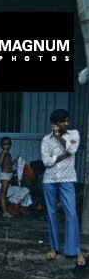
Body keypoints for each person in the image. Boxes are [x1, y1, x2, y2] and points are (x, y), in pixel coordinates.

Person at [40, 109, 85, 266]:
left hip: (67, 179)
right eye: (63, 121)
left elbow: (72, 150)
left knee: (71, 213)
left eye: (67, 120)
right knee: (52, 213)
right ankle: (54, 248)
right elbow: (46, 162)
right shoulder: (46, 140)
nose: (66, 123)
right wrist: (63, 156)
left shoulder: (74, 134)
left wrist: (59, 136)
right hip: (49, 180)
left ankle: (75, 250)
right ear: (54, 124)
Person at [0, 136, 15, 217]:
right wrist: (3, 152)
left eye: (9, 144)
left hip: (8, 175)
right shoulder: (3, 153)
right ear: (1, 146)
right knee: (3, 194)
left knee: (1, 193)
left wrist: (15, 160)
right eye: (4, 144)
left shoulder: (8, 154)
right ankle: (5, 212)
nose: (7, 146)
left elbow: (9, 164)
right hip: (5, 176)